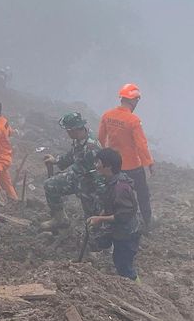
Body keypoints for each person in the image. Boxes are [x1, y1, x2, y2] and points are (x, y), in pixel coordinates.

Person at [98, 83, 155, 228]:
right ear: (134, 100)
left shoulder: (107, 115)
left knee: (114, 193)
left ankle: (111, 221)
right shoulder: (133, 120)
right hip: (132, 166)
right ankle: (147, 222)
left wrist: (105, 158)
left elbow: (101, 138)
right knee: (142, 194)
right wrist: (149, 163)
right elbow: (141, 144)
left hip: (114, 166)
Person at [40, 112, 103, 231]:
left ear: (73, 130)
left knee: (91, 218)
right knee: (50, 185)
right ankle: (60, 219)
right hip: (77, 176)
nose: (67, 133)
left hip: (90, 185)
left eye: (68, 131)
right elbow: (73, 155)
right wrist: (56, 160)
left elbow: (99, 174)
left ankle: (96, 245)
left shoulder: (91, 148)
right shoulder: (79, 138)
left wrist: (101, 195)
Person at [88, 148, 141, 280]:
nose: (96, 165)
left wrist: (100, 219)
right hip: (121, 232)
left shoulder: (120, 188)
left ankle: (136, 288)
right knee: (119, 260)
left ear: (108, 166)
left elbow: (122, 216)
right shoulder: (112, 182)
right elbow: (112, 205)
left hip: (127, 234)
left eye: (98, 162)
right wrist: (102, 213)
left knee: (124, 266)